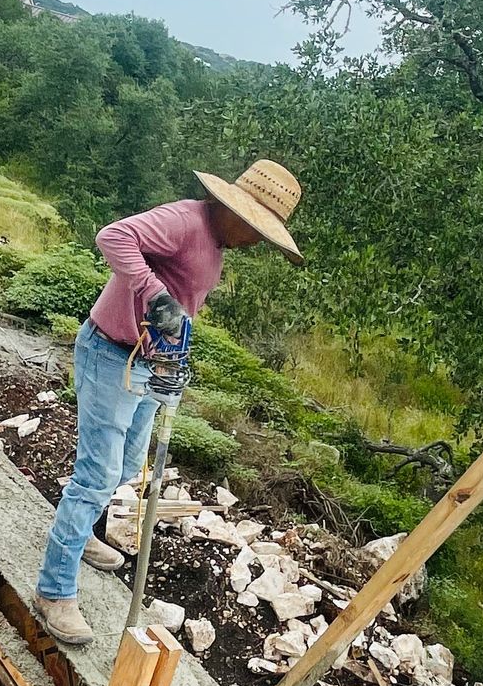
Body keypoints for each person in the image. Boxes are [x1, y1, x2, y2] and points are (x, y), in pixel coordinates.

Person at [34, 160, 303, 648]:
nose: (256, 242)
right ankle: (54, 590)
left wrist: (172, 352)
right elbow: (113, 236)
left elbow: (181, 304)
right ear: (235, 211)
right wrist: (155, 295)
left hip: (148, 364)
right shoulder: (185, 220)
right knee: (97, 474)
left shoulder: (215, 243)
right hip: (110, 354)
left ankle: (80, 533)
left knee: (126, 464)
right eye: (256, 230)